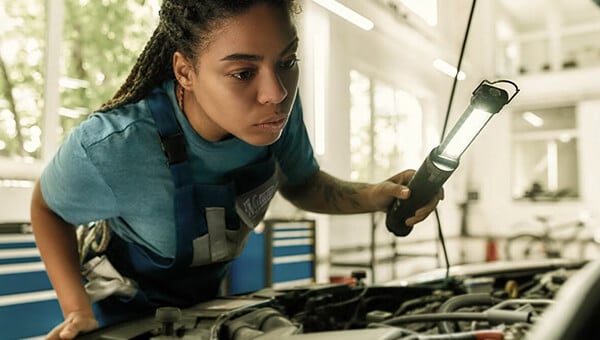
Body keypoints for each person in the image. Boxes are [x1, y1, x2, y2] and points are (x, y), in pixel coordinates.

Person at [30, 1, 443, 339]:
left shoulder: (276, 117)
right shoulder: (115, 144)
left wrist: (376, 195)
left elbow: (302, 184)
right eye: (243, 73)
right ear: (184, 72)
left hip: (207, 312)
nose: (276, 93)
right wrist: (76, 310)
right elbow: (47, 209)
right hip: (122, 324)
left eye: (287, 62)